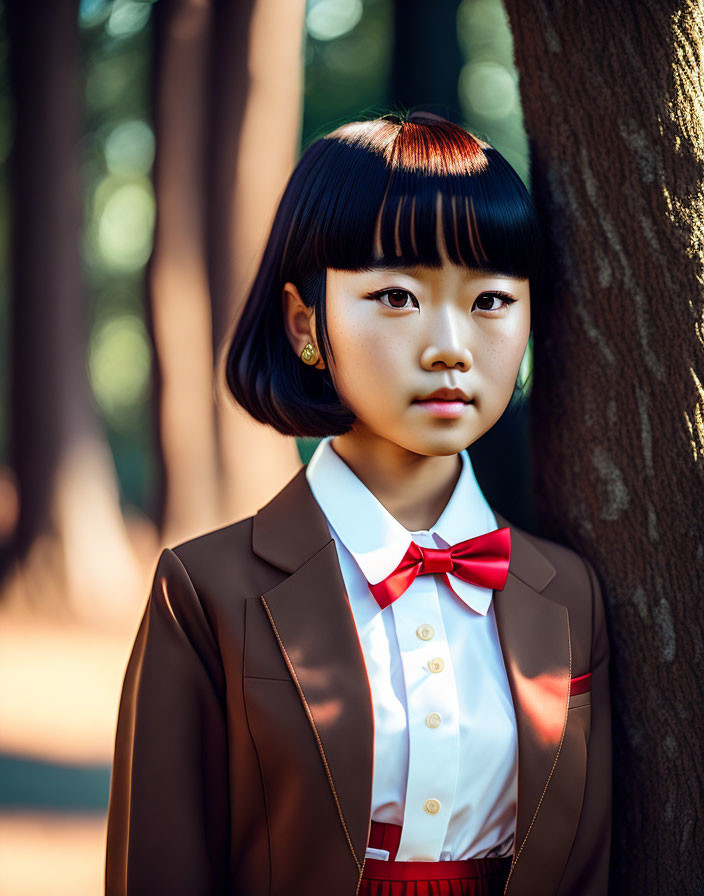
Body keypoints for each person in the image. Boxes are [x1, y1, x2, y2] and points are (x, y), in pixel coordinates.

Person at [105, 111, 612, 896]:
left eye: (490, 301)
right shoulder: (204, 592)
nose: (450, 344)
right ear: (306, 323)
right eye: (398, 296)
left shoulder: (570, 593)